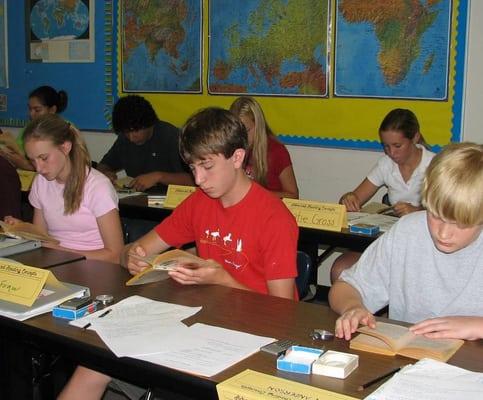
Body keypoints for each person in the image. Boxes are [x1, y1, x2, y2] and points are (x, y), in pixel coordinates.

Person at [58, 107, 299, 400]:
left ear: (237, 157)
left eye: (207, 167)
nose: (198, 179)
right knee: (93, 363)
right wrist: (132, 256)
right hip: (201, 318)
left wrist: (223, 280)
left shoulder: (274, 218)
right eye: (192, 167)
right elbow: (134, 250)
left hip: (256, 332)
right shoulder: (200, 203)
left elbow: (284, 312)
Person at [329, 142, 483, 342]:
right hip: (411, 359)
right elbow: (345, 287)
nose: (444, 234)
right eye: (435, 215)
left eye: (460, 224)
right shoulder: (408, 231)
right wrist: (353, 307)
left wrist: (478, 326)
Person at [331, 108, 435, 282]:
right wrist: (348, 198)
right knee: (340, 269)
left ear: (415, 138)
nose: (391, 153)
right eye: (386, 146)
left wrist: (418, 211)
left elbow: (449, 215)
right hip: (390, 242)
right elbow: (355, 197)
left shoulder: (435, 165)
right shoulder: (386, 164)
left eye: (397, 146)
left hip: (424, 245)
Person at [4, 114, 123, 263]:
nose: (39, 168)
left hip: (96, 269)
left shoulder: (98, 187)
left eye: (44, 158)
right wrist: (23, 230)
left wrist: (61, 252)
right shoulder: (41, 182)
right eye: (32, 160)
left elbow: (115, 255)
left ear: (65, 147)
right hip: (57, 263)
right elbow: (42, 236)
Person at [97, 95, 193, 192]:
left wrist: (159, 176)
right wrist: (105, 173)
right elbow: (103, 165)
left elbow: (193, 180)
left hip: (169, 203)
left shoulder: (171, 137)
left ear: (149, 123)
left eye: (135, 130)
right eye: (126, 132)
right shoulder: (124, 140)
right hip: (137, 201)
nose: (131, 137)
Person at [229, 96, 299, 199]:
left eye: (247, 130)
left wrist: (256, 194)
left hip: (268, 209)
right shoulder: (231, 147)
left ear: (258, 125)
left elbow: (293, 196)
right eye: (237, 132)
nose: (241, 137)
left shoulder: (276, 151)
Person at [0, 85, 68, 171]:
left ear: (52, 110)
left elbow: (58, 167)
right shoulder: (29, 128)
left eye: (37, 110)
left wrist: (25, 164)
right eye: (30, 109)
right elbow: (18, 153)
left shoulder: (64, 129)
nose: (31, 114)